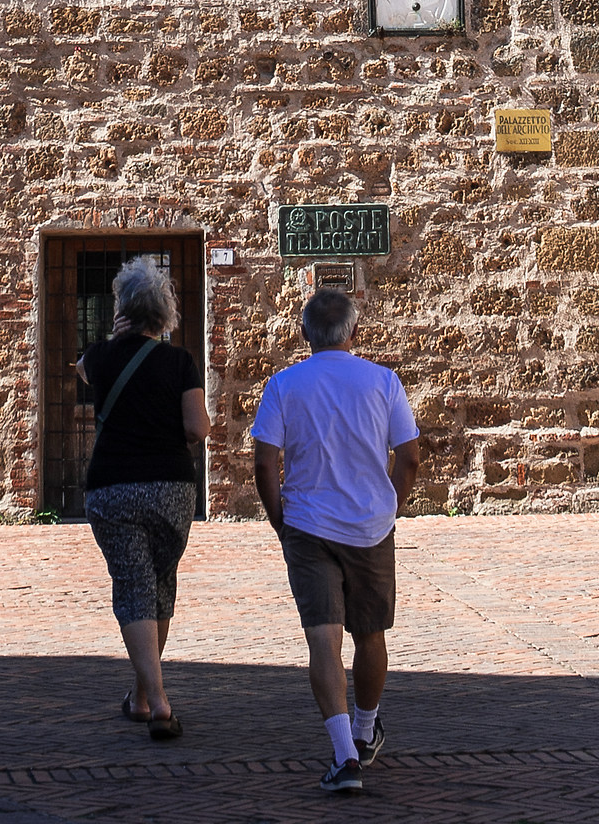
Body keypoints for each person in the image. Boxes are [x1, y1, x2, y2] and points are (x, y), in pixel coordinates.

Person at [252, 288, 420, 796]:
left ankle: (344, 754)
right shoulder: (383, 381)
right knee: (371, 634)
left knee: (323, 638)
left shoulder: (284, 385)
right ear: (355, 332)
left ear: (305, 332)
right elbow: (410, 456)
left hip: (308, 525)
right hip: (371, 526)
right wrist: (390, 505)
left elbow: (264, 463)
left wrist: (280, 521)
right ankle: (366, 730)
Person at [77, 255, 211, 739]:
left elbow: (83, 369)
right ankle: (145, 697)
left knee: (134, 587)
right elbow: (198, 429)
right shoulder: (180, 363)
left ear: (122, 310)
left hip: (113, 487)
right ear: (164, 312)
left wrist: (115, 337)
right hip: (171, 489)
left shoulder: (100, 356)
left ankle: (154, 699)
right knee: (158, 587)